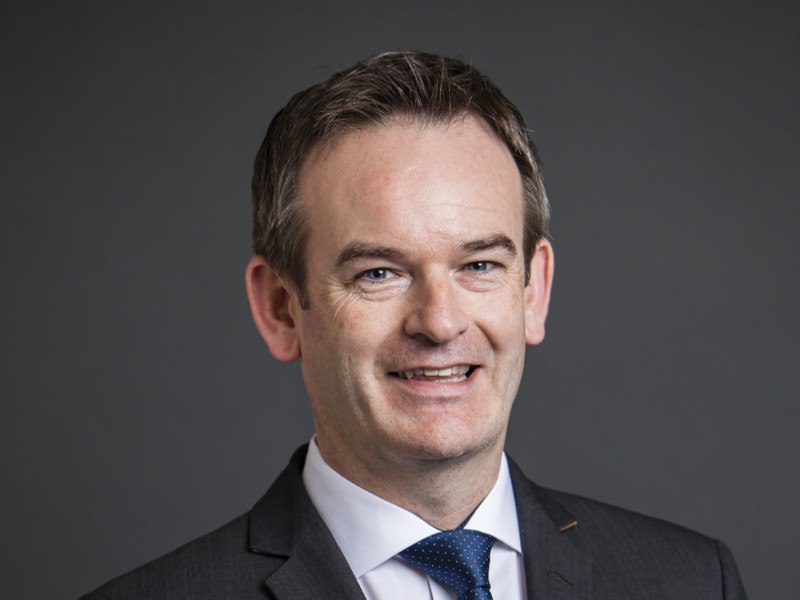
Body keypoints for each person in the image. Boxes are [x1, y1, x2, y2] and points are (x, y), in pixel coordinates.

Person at [81, 51, 747, 599]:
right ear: (281, 309)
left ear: (533, 290)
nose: (439, 320)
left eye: (479, 264)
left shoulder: (689, 581)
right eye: (379, 272)